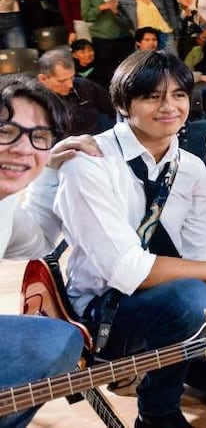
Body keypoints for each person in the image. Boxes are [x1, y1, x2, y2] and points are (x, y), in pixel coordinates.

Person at [53, 51, 206, 428]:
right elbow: (127, 269)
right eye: (152, 96)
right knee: (188, 296)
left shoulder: (190, 167)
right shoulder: (89, 160)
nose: (169, 106)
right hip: (102, 312)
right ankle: (157, 410)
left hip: (167, 299)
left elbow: (198, 251)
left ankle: (171, 360)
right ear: (123, 103)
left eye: (179, 95)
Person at [0, 75, 96, 428]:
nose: (23, 148)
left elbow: (39, 239)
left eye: (38, 137)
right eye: (6, 129)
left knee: (59, 341)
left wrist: (50, 168)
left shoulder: (5, 202)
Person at [80, 0, 132, 87]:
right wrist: (101, 7)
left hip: (124, 36)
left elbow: (131, 13)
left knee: (126, 73)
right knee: (105, 75)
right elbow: (86, 16)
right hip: (101, 38)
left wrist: (117, 11)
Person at [36, 49, 114, 135]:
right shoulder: (36, 102)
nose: (70, 85)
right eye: (62, 81)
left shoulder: (84, 85)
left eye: (72, 77)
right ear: (43, 79)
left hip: (98, 138)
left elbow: (112, 109)